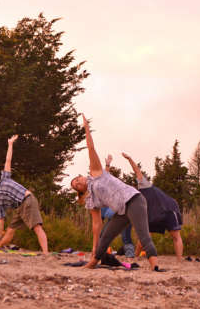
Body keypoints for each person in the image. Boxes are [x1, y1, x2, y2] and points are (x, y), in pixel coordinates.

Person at [69, 115, 163, 271]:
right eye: (76, 186)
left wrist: (86, 128)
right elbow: (96, 225)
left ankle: (155, 266)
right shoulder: (91, 201)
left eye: (77, 179)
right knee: (105, 236)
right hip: (122, 210)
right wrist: (94, 247)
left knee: (143, 234)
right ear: (79, 191)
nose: (78, 183)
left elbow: (91, 149)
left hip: (134, 200)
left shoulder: (96, 172)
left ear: (82, 176)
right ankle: (93, 262)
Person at [0, 135, 50, 255]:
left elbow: (8, 160)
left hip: (27, 200)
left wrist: (10, 144)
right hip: (20, 207)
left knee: (37, 227)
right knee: (10, 231)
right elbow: (1, 221)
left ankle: (46, 253)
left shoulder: (4, 178)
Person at [119, 152, 185, 263]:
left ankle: (180, 260)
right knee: (144, 235)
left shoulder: (143, 185)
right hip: (155, 214)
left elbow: (137, 171)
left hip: (168, 208)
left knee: (175, 235)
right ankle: (136, 256)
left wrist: (129, 159)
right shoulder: (136, 199)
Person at [102, 155, 135, 257]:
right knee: (105, 233)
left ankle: (130, 254)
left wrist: (107, 164)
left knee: (125, 235)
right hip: (113, 212)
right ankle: (101, 250)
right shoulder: (100, 197)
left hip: (123, 209)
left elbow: (105, 177)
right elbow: (105, 178)